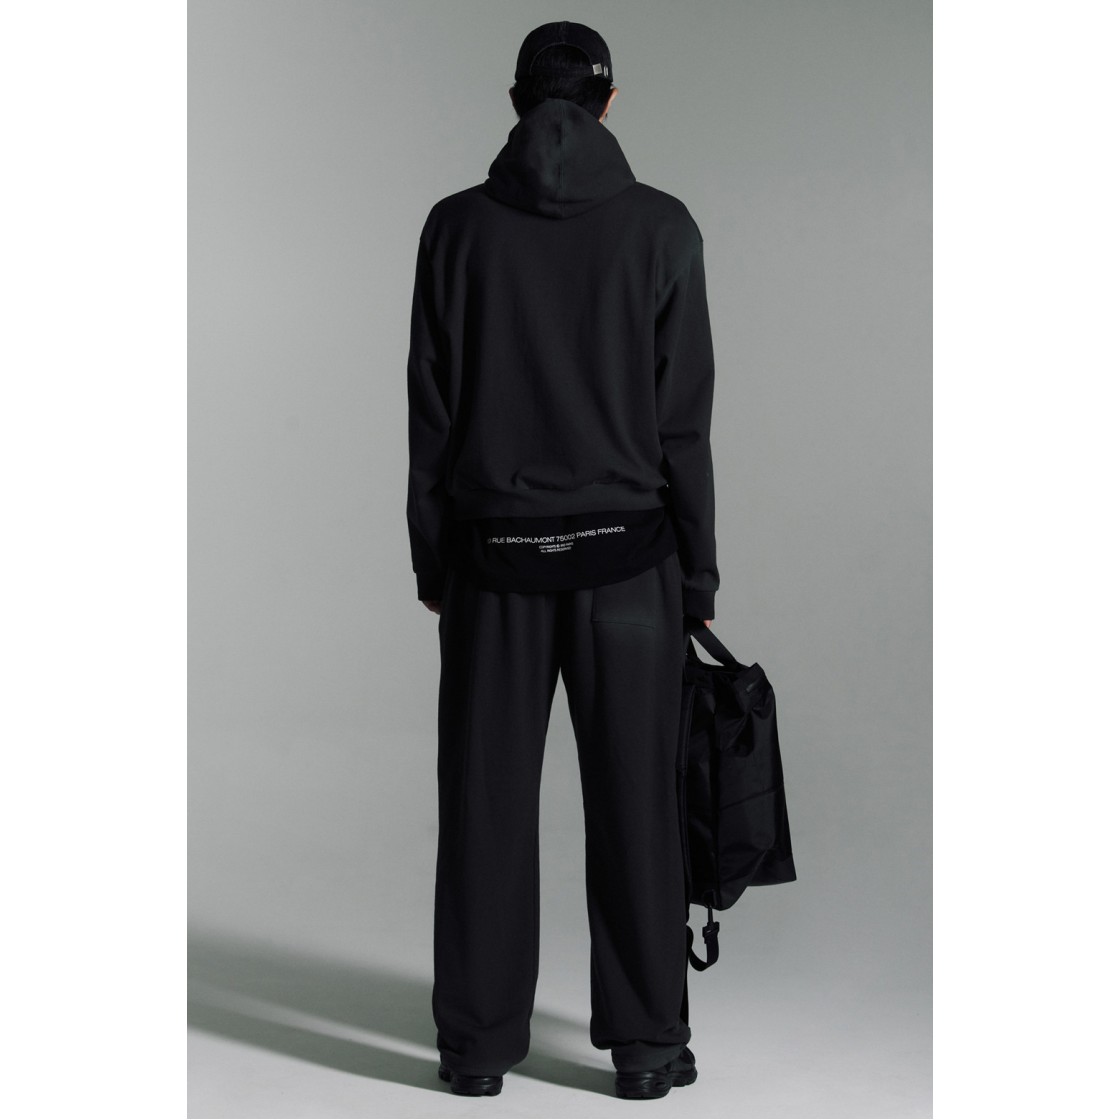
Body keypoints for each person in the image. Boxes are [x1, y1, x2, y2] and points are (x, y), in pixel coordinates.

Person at [405, 20, 719, 1101]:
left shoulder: (454, 228)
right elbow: (683, 424)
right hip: (630, 569)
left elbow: (432, 412)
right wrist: (698, 575)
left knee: (483, 810)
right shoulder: (662, 228)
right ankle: (646, 1050)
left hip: (492, 567)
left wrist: (436, 562)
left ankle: (474, 1052)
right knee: (637, 809)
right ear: (609, 102)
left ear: (514, 100)